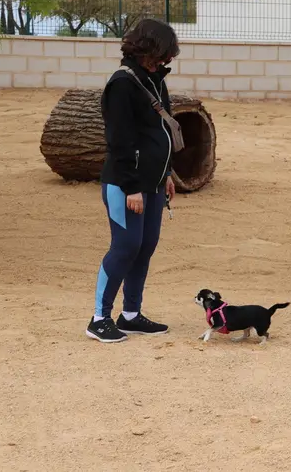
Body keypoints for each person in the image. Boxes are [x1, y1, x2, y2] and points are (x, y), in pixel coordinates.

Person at [86, 19, 182, 343]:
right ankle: (99, 318)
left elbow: (161, 131)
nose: (167, 60)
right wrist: (131, 187)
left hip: (154, 183)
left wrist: (166, 172)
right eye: (164, 53)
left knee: (145, 247)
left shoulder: (154, 80)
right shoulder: (122, 84)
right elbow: (120, 141)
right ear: (148, 48)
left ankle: (130, 315)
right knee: (126, 246)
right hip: (125, 185)